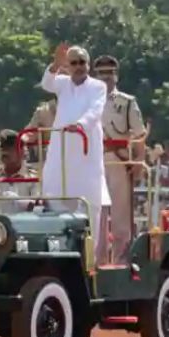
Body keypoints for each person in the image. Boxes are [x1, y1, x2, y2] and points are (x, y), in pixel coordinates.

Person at [40, 43, 110, 261]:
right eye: (74, 63)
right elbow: (46, 83)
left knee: (90, 200)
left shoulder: (98, 86)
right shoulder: (63, 84)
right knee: (54, 192)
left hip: (86, 148)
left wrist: (80, 125)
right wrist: (55, 64)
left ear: (88, 65)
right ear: (67, 66)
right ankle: (59, 252)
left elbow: (95, 111)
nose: (79, 67)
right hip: (61, 149)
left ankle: (90, 259)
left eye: (82, 62)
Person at [94, 55, 147, 265]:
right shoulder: (88, 100)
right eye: (101, 73)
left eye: (110, 72)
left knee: (120, 216)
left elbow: (139, 134)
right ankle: (96, 263)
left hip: (117, 160)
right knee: (96, 214)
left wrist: (139, 161)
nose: (106, 77)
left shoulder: (126, 102)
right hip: (93, 161)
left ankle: (121, 262)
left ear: (117, 75)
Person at [0, 129, 37, 198]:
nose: (4, 151)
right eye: (2, 147)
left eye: (10, 147)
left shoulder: (33, 179)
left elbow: (38, 205)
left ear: (22, 151)